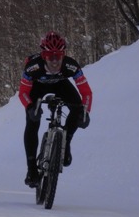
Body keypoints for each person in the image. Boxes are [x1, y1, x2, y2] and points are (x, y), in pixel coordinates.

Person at [18, 31, 93, 188]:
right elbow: (23, 92)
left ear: (63, 54)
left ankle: (65, 143)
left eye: (58, 56)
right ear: (43, 55)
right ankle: (31, 169)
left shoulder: (70, 65)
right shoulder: (33, 67)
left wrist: (85, 112)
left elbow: (86, 92)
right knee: (33, 120)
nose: (54, 61)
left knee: (78, 110)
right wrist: (30, 107)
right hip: (37, 87)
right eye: (50, 56)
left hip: (60, 85)